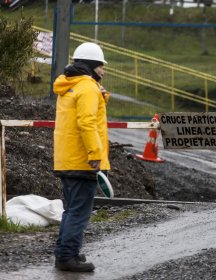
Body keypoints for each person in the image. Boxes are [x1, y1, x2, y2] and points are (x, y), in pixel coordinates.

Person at [53, 42, 110, 272]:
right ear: (91, 66)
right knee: (79, 212)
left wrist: (101, 97)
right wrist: (95, 155)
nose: (103, 71)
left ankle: (66, 253)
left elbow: (84, 113)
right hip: (83, 160)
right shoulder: (87, 87)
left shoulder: (70, 85)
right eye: (101, 67)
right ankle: (67, 258)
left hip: (67, 158)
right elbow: (87, 123)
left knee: (71, 209)